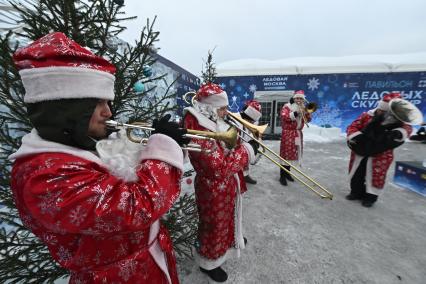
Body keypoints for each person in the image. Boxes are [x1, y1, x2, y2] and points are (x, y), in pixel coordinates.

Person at [9, 32, 187, 283]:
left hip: (144, 266)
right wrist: (164, 147)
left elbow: (123, 179)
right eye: (99, 103)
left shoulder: (78, 146)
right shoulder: (42, 177)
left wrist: (157, 145)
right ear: (69, 110)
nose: (109, 112)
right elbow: (138, 207)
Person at [183, 83, 258, 283]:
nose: (227, 111)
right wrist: (246, 152)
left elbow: (227, 149)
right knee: (213, 225)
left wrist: (241, 142)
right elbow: (218, 168)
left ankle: (230, 242)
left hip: (226, 186)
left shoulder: (212, 120)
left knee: (226, 220)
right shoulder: (198, 129)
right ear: (210, 107)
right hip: (212, 188)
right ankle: (210, 262)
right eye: (222, 108)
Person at [346, 93, 413, 207]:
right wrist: (356, 136)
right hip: (361, 150)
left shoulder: (399, 121)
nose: (381, 112)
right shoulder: (367, 116)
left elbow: (407, 129)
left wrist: (399, 133)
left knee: (376, 175)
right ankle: (356, 192)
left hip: (381, 154)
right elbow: (354, 125)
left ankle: (371, 197)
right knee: (357, 173)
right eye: (380, 109)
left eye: (384, 111)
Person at [279, 90, 311, 186]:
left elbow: (308, 120)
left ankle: (288, 173)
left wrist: (307, 113)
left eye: (301, 98)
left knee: (293, 154)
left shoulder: (303, 108)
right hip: (288, 134)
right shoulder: (287, 106)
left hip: (297, 134)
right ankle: (282, 176)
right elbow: (285, 117)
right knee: (286, 155)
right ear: (294, 98)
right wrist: (296, 112)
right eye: (297, 98)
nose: (299, 100)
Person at [240, 99, 262, 184]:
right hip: (240, 149)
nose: (252, 123)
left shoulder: (252, 121)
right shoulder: (240, 122)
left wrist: (256, 139)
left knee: (247, 161)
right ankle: (240, 177)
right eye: (250, 121)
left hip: (246, 145)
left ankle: (245, 175)